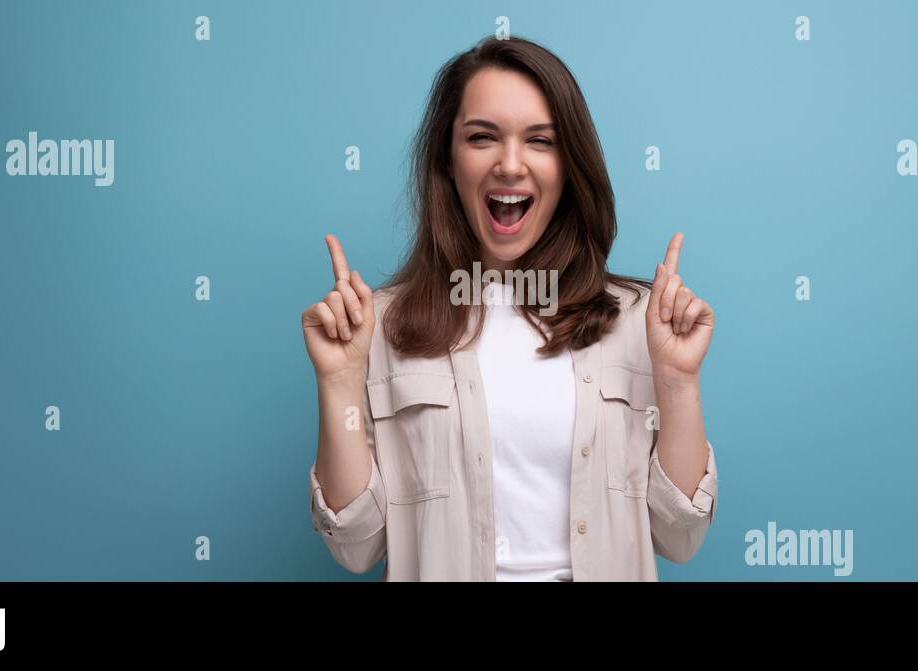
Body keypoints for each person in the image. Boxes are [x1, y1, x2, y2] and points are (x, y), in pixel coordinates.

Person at [302, 35, 718, 581]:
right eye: (482, 137)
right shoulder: (378, 326)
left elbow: (680, 536)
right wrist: (339, 383)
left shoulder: (638, 322)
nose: (510, 164)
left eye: (540, 141)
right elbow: (355, 548)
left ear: (568, 166)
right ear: (448, 160)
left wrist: (678, 382)